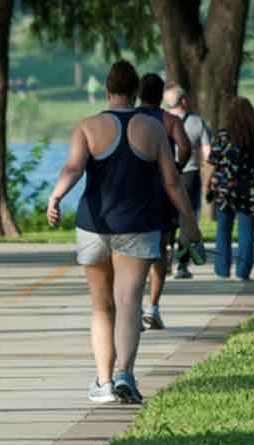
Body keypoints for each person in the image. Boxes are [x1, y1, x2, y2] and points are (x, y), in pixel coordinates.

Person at [45, 60, 203, 405]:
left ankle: (103, 382)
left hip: (93, 226)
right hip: (139, 225)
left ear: (107, 91)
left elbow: (73, 167)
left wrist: (56, 197)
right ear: (135, 92)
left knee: (102, 307)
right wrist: (189, 222)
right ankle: (125, 375)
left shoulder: (87, 126)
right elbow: (172, 182)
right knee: (129, 302)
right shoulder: (153, 128)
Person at [136, 73, 191, 331]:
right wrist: (177, 165)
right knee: (159, 248)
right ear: (160, 95)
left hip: (136, 190)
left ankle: (134, 306)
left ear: (139, 94)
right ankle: (153, 307)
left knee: (134, 250)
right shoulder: (170, 120)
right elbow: (185, 146)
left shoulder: (130, 119)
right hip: (162, 190)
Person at [208, 97, 254, 281]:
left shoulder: (222, 136)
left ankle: (222, 271)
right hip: (251, 191)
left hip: (225, 190)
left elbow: (212, 163)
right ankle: (242, 272)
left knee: (223, 230)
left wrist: (207, 185)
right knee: (247, 232)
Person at [163, 84, 212, 278]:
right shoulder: (197, 122)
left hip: (166, 174)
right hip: (189, 175)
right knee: (186, 220)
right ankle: (182, 266)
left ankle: (164, 259)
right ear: (183, 100)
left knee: (167, 219)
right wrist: (209, 179)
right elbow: (208, 154)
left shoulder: (161, 121)